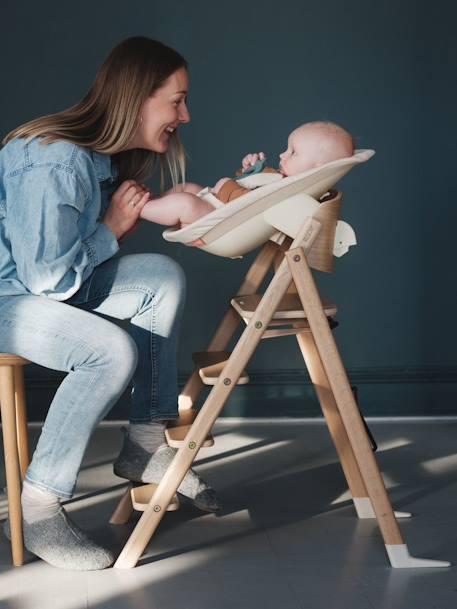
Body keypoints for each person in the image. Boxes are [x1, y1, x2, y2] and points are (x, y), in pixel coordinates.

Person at [0, 36, 218, 571]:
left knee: (159, 277)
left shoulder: (97, 160)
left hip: (32, 292)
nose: (185, 115)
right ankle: (39, 506)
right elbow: (49, 279)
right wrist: (115, 227)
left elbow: (73, 263)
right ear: (139, 97)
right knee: (109, 351)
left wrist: (169, 205)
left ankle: (144, 442)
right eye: (177, 100)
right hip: (10, 298)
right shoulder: (55, 160)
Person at [138, 121, 354, 227]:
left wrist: (225, 187)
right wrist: (251, 168)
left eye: (293, 152)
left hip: (223, 221)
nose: (282, 155)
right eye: (286, 149)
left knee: (185, 203)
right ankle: (152, 202)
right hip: (217, 204)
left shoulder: (286, 193)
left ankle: (138, 208)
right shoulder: (280, 178)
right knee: (187, 188)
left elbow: (247, 203)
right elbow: (248, 184)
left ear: (316, 168)